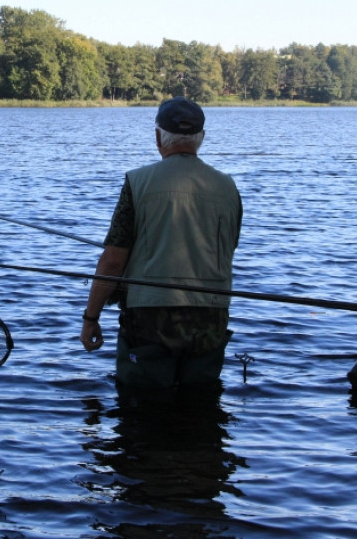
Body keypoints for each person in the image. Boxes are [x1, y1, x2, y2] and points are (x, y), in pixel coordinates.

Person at [80, 97, 243, 389]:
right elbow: (228, 248)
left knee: (142, 408)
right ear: (201, 138)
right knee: (200, 406)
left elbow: (113, 261)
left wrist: (91, 317)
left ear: (158, 136)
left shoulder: (137, 182)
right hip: (211, 317)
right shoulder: (228, 187)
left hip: (150, 320)